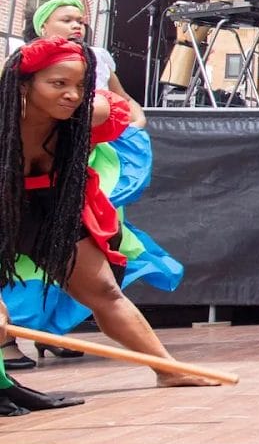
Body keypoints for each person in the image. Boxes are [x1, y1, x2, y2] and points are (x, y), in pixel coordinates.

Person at [0, 36, 211, 387]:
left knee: (105, 292)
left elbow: (124, 109)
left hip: (53, 209)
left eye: (80, 85)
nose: (72, 94)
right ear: (24, 85)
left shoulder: (89, 113)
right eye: (58, 84)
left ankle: (169, 370)